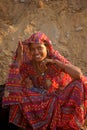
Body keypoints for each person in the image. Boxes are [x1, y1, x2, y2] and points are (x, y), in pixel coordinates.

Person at [2, 32, 87, 130]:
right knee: (20, 93)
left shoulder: (54, 58)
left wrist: (56, 62)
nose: (36, 52)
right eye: (33, 49)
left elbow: (78, 75)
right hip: (38, 104)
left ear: (46, 47)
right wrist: (18, 61)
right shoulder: (29, 65)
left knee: (81, 83)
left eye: (39, 48)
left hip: (59, 102)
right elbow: (13, 85)